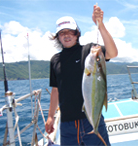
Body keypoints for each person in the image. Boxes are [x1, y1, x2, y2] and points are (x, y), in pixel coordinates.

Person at [45, 5, 118, 146]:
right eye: (62, 33)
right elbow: (55, 90)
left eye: (70, 32)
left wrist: (100, 24)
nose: (66, 36)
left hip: (90, 120)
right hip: (67, 125)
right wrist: (50, 117)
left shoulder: (90, 51)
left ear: (77, 34)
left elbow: (112, 53)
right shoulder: (55, 60)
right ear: (58, 37)